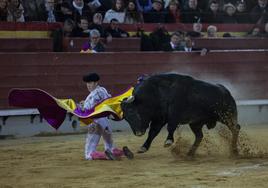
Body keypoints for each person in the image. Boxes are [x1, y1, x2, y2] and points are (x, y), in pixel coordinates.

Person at [81, 72, 134, 160]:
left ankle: (106, 156)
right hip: (105, 122)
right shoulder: (102, 90)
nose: (88, 85)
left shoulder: (93, 95)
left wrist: (81, 106)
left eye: (90, 83)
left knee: (89, 154)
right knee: (110, 147)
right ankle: (122, 152)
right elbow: (109, 100)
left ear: (96, 83)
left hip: (95, 123)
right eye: (87, 83)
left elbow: (87, 109)